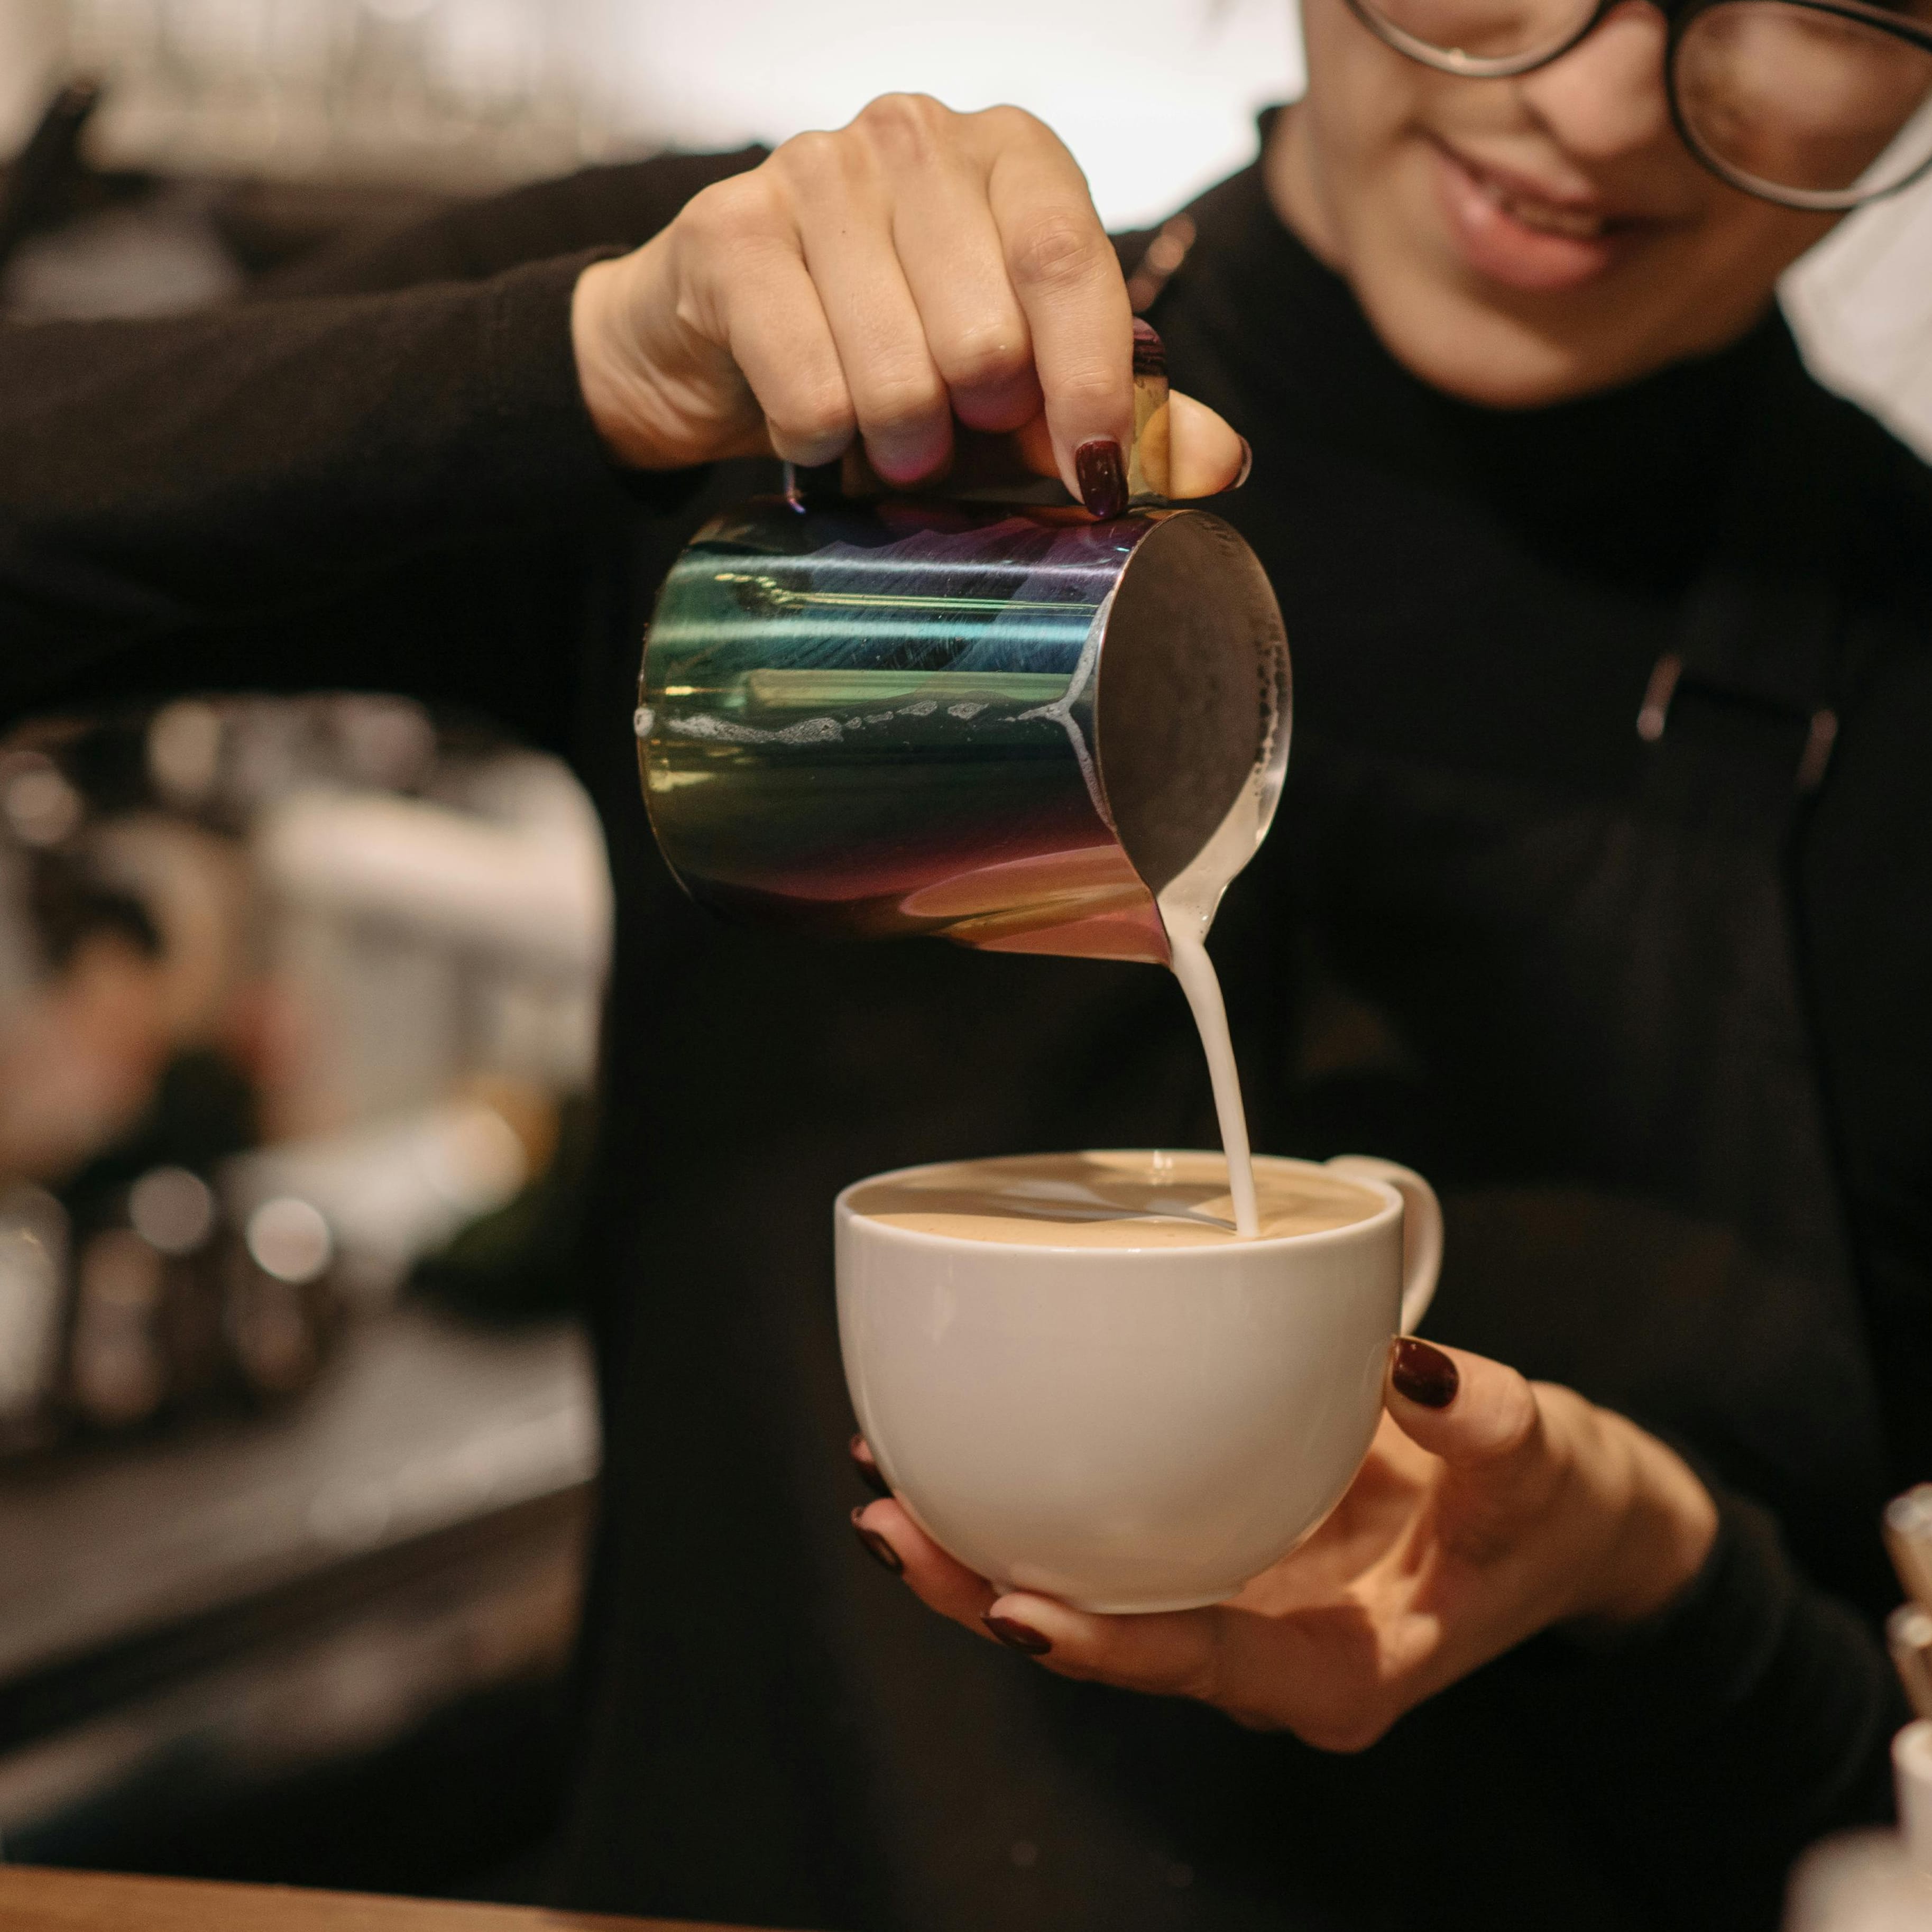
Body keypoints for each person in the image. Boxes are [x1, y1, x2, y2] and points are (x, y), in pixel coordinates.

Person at [4, 0, 1931, 1921]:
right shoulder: (791, 393)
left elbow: (1879, 1795)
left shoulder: (1900, 670)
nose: (1597, 108)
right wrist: (582, 358)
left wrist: (1662, 1574)